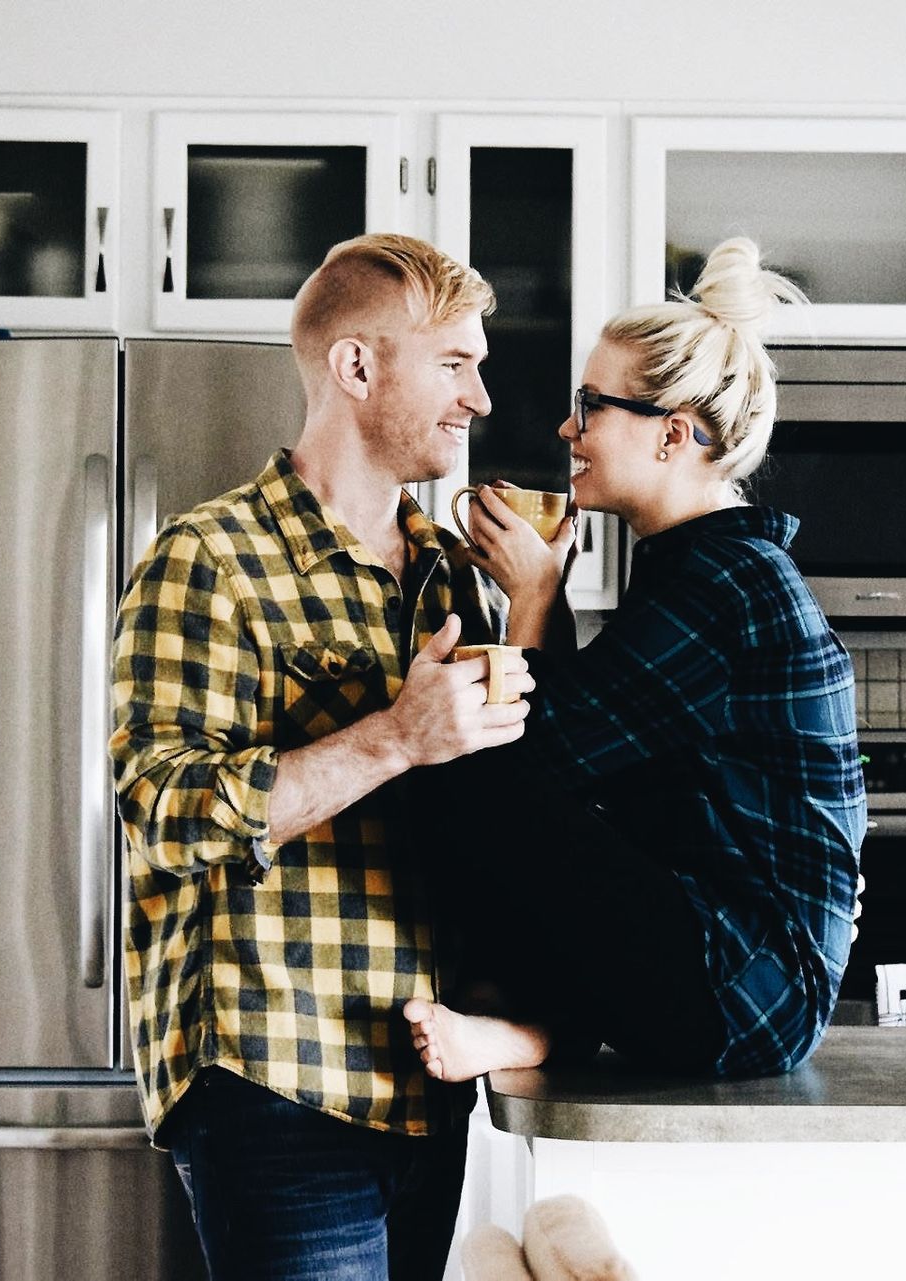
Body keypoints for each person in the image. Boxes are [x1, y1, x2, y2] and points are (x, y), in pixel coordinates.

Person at [109, 233, 532, 1280]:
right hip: (277, 1083)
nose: (479, 399)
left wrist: (537, 603)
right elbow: (163, 811)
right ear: (356, 367)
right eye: (455, 365)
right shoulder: (207, 560)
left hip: (429, 1087)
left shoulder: (452, 575)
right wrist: (394, 734)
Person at [402, 238, 865, 1084]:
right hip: (735, 974)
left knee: (453, 758)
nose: (566, 427)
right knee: (461, 751)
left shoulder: (726, 583)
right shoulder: (703, 567)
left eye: (591, 406)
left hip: (744, 991)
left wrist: (538, 600)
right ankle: (538, 1030)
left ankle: (540, 1029)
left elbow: (531, 756)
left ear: (672, 436)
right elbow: (586, 764)